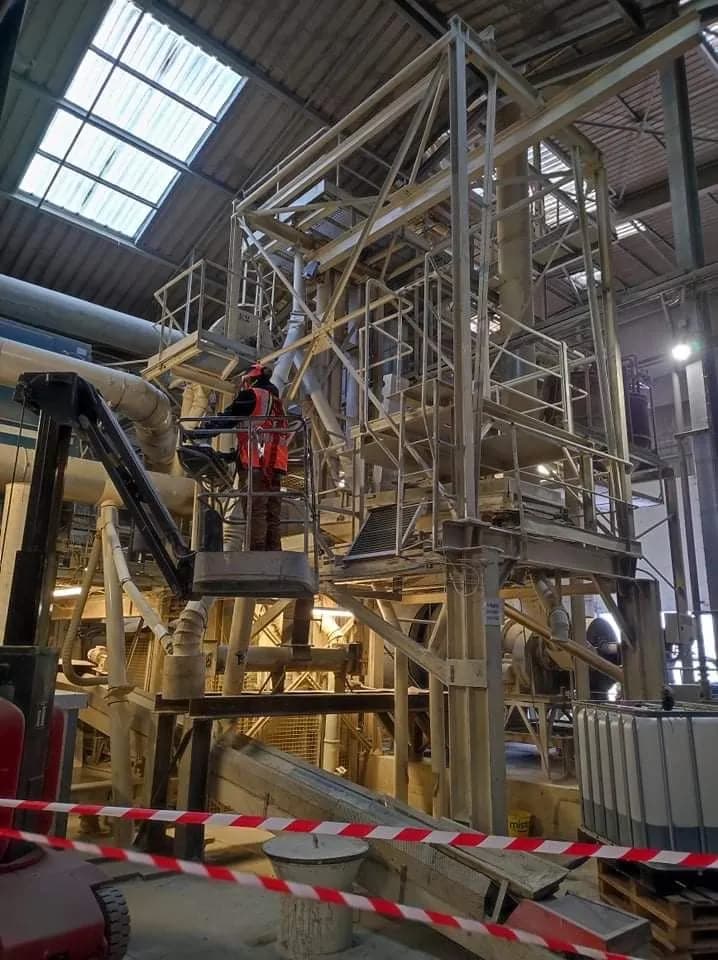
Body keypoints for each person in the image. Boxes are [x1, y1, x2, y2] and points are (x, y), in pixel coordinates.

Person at [216, 363, 289, 551]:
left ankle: (256, 554)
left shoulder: (253, 395)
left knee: (255, 510)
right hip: (275, 466)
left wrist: (200, 431)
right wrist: (234, 455)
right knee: (272, 514)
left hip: (256, 465)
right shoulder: (276, 402)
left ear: (252, 378)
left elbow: (228, 417)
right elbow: (265, 432)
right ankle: (273, 554)